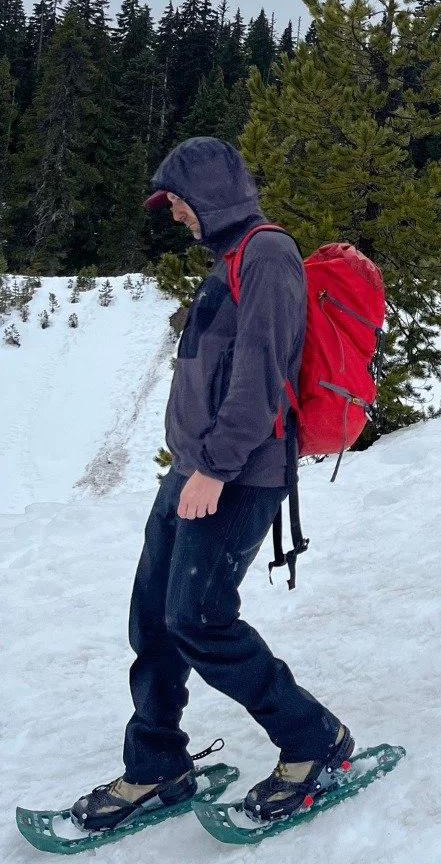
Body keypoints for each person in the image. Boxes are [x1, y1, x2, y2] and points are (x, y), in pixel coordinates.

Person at [71, 137, 351, 831]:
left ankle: (314, 739)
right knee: (154, 620)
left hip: (239, 475)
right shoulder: (229, 260)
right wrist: (194, 466)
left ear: (209, 194)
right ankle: (157, 762)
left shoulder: (267, 255)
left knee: (199, 619)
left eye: (177, 201)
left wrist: (216, 469)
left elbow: (260, 380)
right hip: (194, 470)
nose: (174, 214)